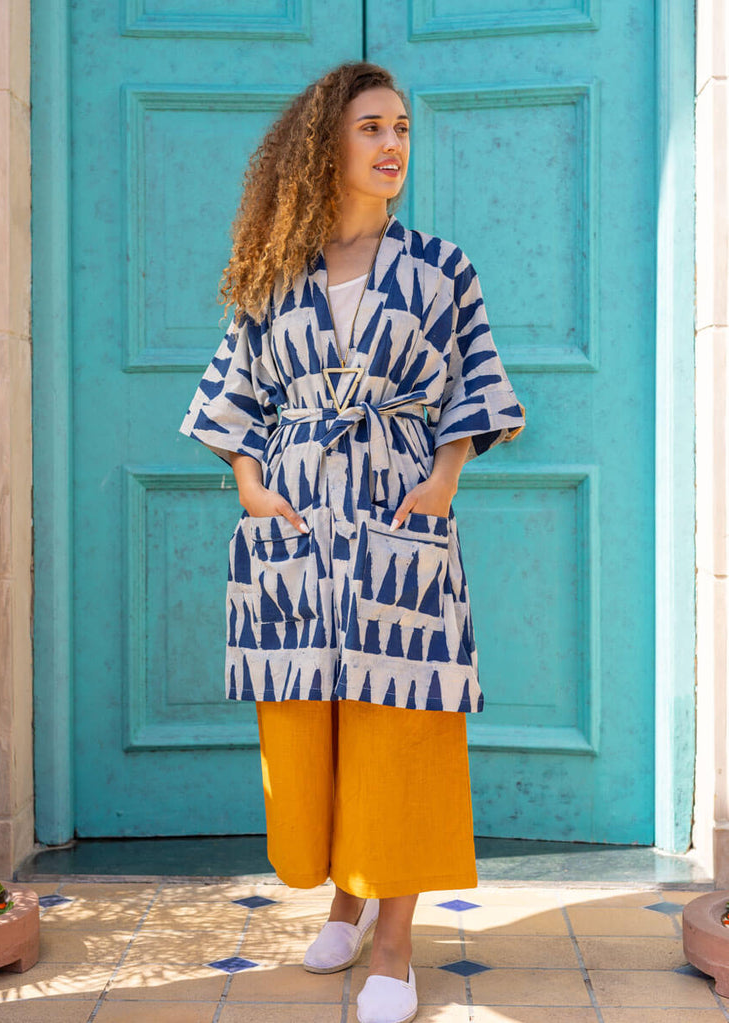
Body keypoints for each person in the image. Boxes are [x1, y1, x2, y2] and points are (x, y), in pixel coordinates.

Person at [179, 60, 525, 1023]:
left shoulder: (440, 268)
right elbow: (233, 394)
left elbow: (476, 384)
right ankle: (344, 895)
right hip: (294, 519)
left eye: (401, 128)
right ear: (323, 143)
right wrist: (251, 487)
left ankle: (395, 946)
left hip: (397, 509)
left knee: (400, 725)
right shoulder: (273, 273)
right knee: (314, 724)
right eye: (371, 126)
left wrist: (442, 479)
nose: (391, 144)